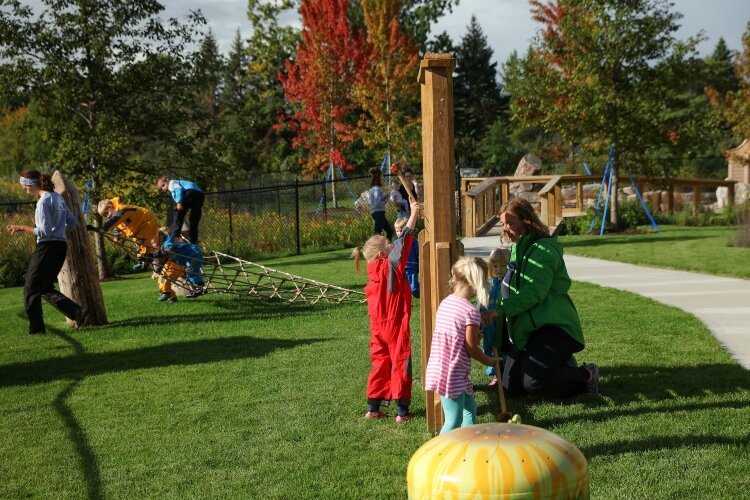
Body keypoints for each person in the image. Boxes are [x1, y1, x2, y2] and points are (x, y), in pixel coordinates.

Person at [492, 198, 599, 397]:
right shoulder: (518, 248)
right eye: (503, 224)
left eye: (510, 223)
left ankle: (586, 375)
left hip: (553, 327)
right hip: (529, 330)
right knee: (511, 389)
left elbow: (534, 293)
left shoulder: (543, 251)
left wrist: (500, 309)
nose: (505, 228)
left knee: (534, 383)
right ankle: (559, 362)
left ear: (527, 221)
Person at [352, 199, 420, 423]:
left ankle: (373, 408)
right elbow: (405, 239)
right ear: (382, 253)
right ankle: (402, 412)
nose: (392, 244)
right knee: (401, 361)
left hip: (377, 328)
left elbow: (399, 242)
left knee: (380, 362)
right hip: (395, 324)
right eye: (387, 244)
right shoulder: (390, 266)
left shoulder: (372, 272)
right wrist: (414, 212)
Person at [423, 256, 501, 434]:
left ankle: (469, 442)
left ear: (456, 278)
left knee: (470, 408)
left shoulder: (447, 302)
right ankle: (439, 453)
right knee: (454, 418)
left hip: (441, 366)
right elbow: (471, 348)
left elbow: (456, 334)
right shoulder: (471, 311)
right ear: (479, 283)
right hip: (453, 372)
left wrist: (474, 336)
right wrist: (489, 361)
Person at [6, 170, 89, 334]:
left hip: (46, 247)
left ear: (30, 184)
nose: (25, 190)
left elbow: (43, 231)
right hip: (60, 246)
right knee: (43, 287)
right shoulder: (57, 198)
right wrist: (60, 232)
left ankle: (37, 330)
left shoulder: (43, 202)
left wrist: (20, 227)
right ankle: (78, 313)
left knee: (30, 288)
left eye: (25, 187)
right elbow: (72, 222)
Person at [97, 198, 159, 271]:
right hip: (137, 229)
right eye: (105, 215)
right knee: (140, 245)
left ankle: (145, 258)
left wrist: (104, 228)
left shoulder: (121, 209)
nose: (107, 216)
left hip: (146, 223)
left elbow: (115, 220)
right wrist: (116, 238)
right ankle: (145, 258)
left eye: (107, 213)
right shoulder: (117, 215)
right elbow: (118, 227)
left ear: (110, 206)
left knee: (142, 241)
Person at [480, 247, 511, 387]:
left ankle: (505, 373)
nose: (499, 269)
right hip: (490, 325)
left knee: (504, 347)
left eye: (503, 265)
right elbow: (482, 305)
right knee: (491, 348)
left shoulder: (509, 285)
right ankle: (496, 374)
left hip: (504, 324)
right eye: (495, 266)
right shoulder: (489, 285)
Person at [154, 228, 206, 303]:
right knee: (189, 272)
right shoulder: (167, 242)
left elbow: (169, 250)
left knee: (191, 271)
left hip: (193, 254)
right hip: (191, 255)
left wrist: (160, 254)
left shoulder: (168, 243)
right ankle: (198, 288)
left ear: (161, 236)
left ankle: (199, 289)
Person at [156, 176, 205, 244]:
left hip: (190, 192)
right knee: (194, 218)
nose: (163, 188)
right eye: (161, 188)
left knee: (178, 214)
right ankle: (193, 239)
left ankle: (174, 236)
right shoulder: (176, 184)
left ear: (167, 180)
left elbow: (178, 189)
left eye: (163, 185)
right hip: (200, 194)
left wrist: (179, 202)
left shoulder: (171, 183)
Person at [393, 217, 419, 298]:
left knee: (413, 287)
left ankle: (421, 292)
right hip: (400, 268)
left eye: (401, 230)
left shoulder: (413, 241)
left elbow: (418, 253)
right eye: (397, 231)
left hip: (411, 267)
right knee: (403, 286)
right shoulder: (395, 243)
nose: (399, 233)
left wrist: (420, 263)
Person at [367, 168, 394, 240]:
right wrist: (386, 199)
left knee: (390, 232)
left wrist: (385, 197)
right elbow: (377, 203)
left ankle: (388, 248)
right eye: (382, 176)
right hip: (378, 213)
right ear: (378, 177)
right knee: (377, 233)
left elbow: (377, 201)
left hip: (378, 212)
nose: (383, 178)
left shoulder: (373, 188)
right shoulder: (376, 189)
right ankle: (374, 248)